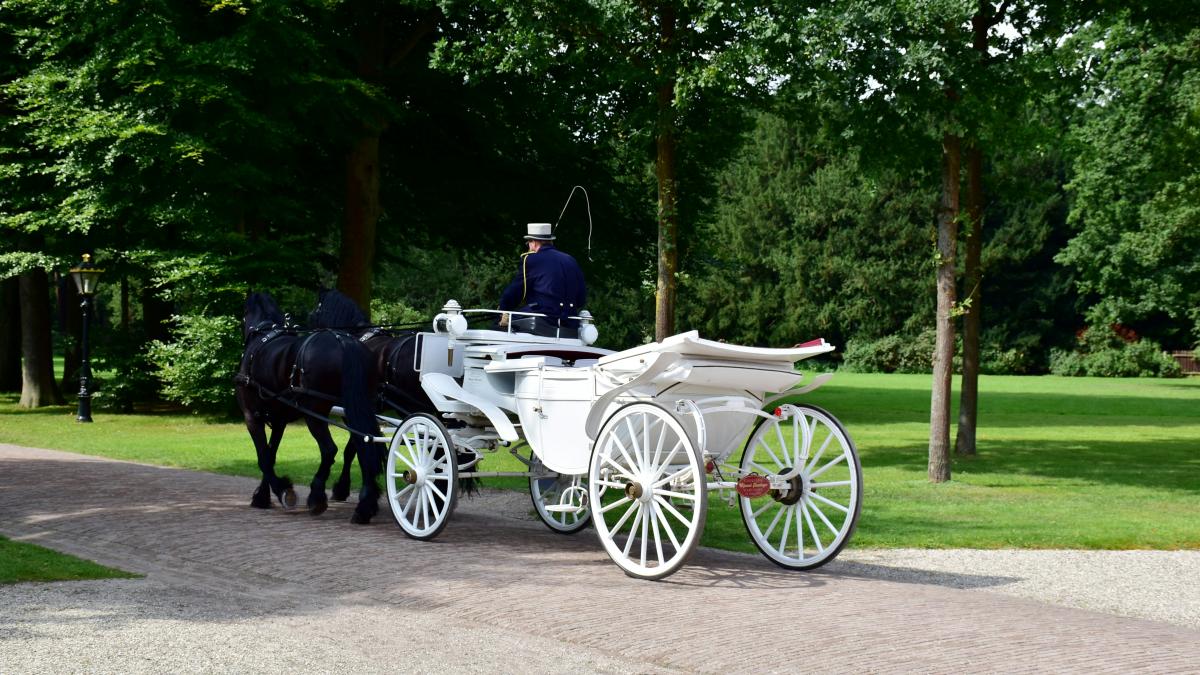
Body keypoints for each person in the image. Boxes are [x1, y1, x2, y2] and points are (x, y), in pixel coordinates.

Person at [498, 222, 587, 337]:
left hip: (543, 320)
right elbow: (581, 299)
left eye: (528, 243)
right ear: (550, 241)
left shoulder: (531, 260)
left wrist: (503, 310)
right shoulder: (571, 260)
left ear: (533, 242)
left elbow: (516, 291)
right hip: (570, 322)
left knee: (498, 326)